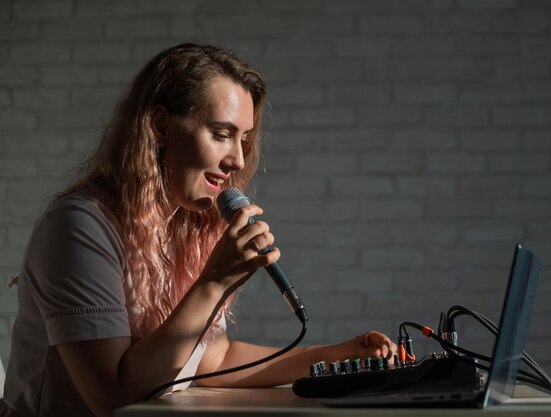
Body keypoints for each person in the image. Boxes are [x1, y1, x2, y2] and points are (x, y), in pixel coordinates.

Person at [0, 43, 396, 417]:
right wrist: (216, 280)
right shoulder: (79, 227)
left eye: (244, 139)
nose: (238, 160)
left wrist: (335, 356)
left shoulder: (188, 228)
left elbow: (213, 359)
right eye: (222, 134)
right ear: (159, 126)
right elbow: (110, 398)